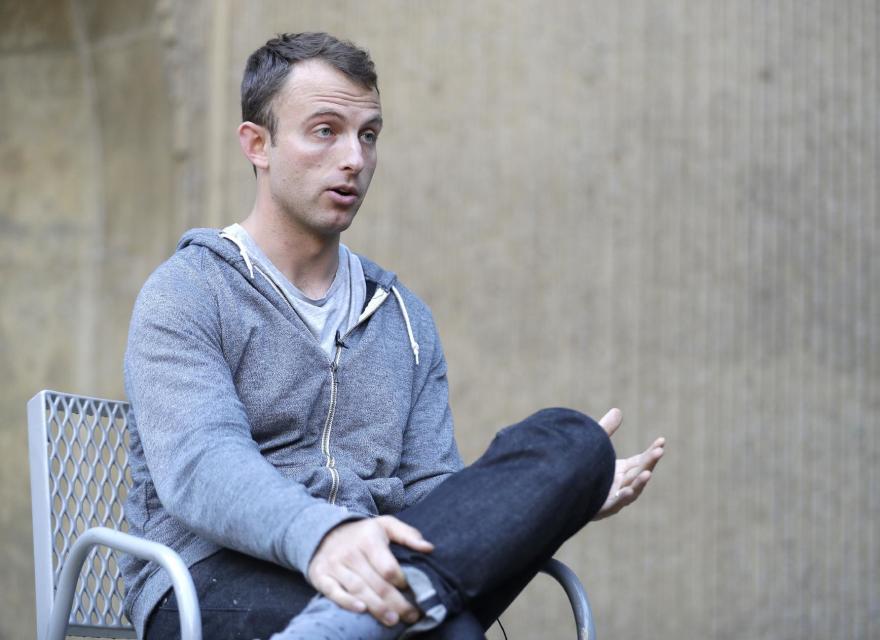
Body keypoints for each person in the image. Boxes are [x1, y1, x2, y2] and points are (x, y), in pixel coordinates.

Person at [121, 32, 666, 640]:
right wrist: (324, 535)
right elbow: (202, 464)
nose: (354, 157)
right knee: (445, 631)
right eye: (325, 130)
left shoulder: (403, 316)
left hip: (383, 570)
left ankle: (357, 622)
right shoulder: (189, 291)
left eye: (369, 135)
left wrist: (550, 499)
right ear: (258, 145)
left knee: (574, 441)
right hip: (210, 578)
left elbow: (431, 493)